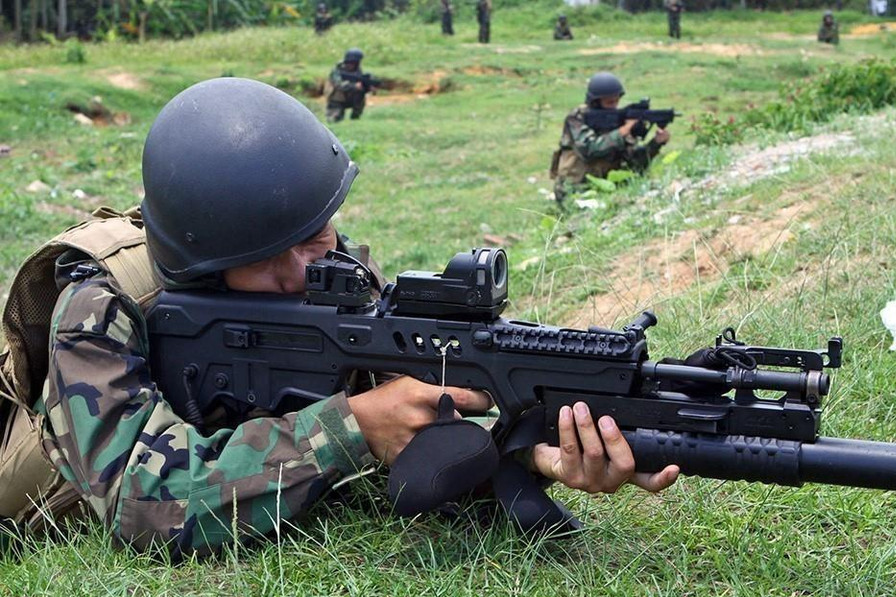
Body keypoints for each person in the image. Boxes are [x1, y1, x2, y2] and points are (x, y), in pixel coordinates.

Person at [0, 78, 678, 557]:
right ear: (205, 264)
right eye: (272, 260)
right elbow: (138, 503)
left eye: (318, 237)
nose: (306, 272)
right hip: (44, 489)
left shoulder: (331, 268)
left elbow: (420, 410)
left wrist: (536, 447)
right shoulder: (98, 304)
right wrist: (348, 429)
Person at [551, 72, 671, 205]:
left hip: (607, 189)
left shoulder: (618, 122)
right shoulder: (577, 118)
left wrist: (655, 144)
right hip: (575, 191)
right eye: (609, 102)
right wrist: (622, 131)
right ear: (596, 102)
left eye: (616, 101)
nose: (614, 105)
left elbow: (635, 164)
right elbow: (589, 150)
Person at [326, 48, 371, 122]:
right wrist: (353, 86)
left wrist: (367, 87)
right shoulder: (337, 70)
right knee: (334, 120)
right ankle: (336, 115)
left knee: (360, 92)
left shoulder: (357, 70)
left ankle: (355, 117)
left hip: (350, 98)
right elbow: (338, 85)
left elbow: (360, 82)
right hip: (337, 99)